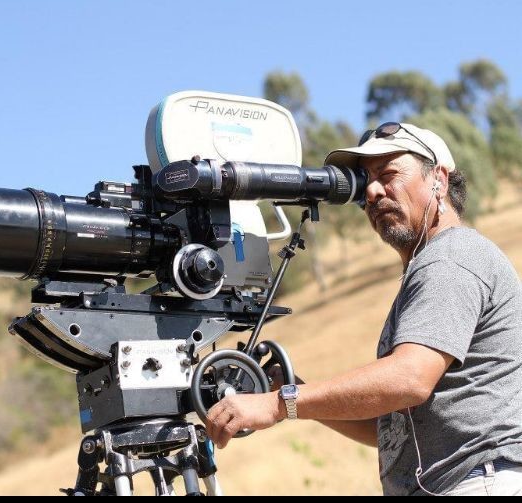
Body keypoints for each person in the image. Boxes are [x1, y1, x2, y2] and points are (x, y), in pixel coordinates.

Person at [202, 122, 522, 496]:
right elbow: (388, 430)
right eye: (366, 181)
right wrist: (292, 391)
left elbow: (409, 379)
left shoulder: (451, 257)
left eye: (388, 174)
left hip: (476, 483)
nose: (371, 191)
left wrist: (279, 404)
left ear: (438, 176)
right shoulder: (431, 268)